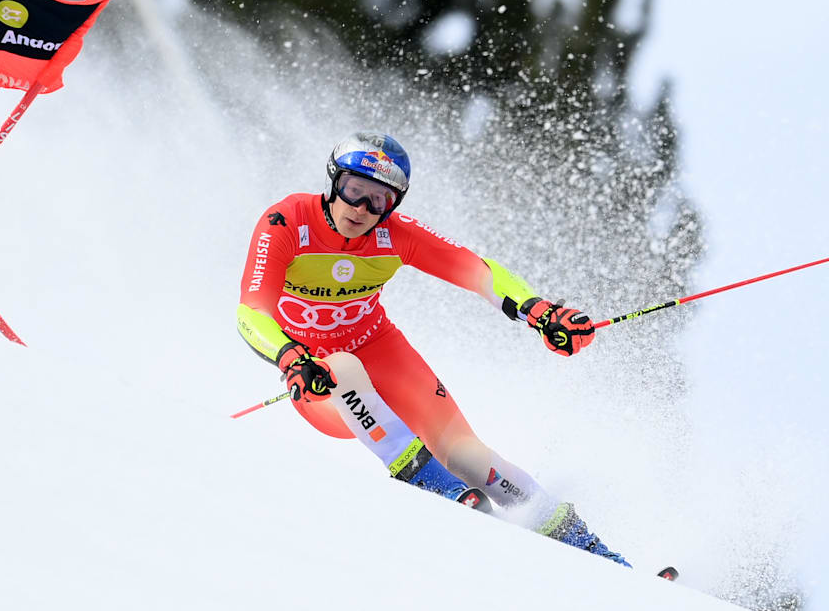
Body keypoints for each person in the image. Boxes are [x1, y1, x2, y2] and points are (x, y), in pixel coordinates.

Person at [236, 131, 629, 566]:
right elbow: (251, 311)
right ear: (334, 182)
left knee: (469, 456)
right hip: (316, 375)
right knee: (343, 366)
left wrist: (538, 310)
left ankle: (593, 552)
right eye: (353, 192)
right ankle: (441, 492)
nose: (362, 209)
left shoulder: (394, 235)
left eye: (379, 201)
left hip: (380, 349)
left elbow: (474, 269)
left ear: (395, 204)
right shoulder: (287, 222)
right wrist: (289, 357)